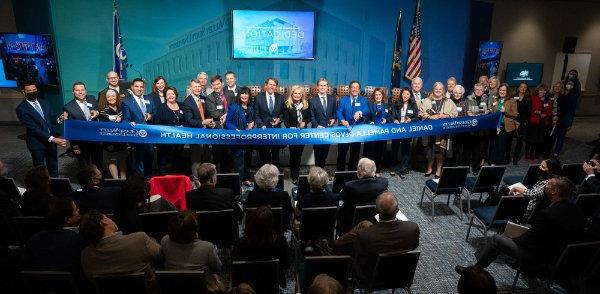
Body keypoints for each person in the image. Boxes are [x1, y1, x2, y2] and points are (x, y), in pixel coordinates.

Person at [455, 176, 585, 278]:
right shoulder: (578, 210)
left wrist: (511, 236)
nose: (545, 186)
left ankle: (474, 271)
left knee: (497, 239)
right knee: (524, 227)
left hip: (539, 257)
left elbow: (528, 240)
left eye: (547, 185)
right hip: (561, 257)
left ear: (554, 191)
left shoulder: (548, 214)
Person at [79, 210, 162, 291]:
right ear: (103, 222)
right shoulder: (140, 239)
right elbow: (162, 255)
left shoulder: (86, 255)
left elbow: (91, 280)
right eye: (106, 217)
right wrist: (153, 240)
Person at [347, 192, 420, 283]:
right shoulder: (412, 228)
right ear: (397, 210)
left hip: (371, 278)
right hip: (402, 275)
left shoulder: (365, 235)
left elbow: (358, 252)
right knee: (365, 224)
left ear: (376, 210)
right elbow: (414, 246)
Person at [15, 80, 66, 177]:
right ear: (23, 92)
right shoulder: (21, 109)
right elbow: (33, 129)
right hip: (36, 143)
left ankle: (55, 186)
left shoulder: (45, 102)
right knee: (39, 171)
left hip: (51, 142)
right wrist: (53, 139)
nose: (32, 92)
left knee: (54, 167)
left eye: (34, 89)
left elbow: (51, 119)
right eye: (29, 91)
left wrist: (60, 119)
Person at [232, 206, 290, 287]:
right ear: (271, 224)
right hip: (273, 287)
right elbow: (287, 265)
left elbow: (235, 268)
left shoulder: (239, 244)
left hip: (247, 288)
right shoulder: (280, 242)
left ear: (250, 223)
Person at [28, 197, 81, 272]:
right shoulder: (77, 239)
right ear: (67, 219)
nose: (78, 210)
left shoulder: (35, 238)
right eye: (75, 210)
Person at [161, 211, 222, 277]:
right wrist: (214, 253)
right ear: (194, 231)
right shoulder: (207, 247)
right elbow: (218, 269)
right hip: (202, 286)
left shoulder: (165, 241)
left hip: (172, 285)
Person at [336, 158, 388, 235]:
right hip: (373, 217)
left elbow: (342, 198)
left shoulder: (349, 186)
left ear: (359, 172)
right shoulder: (384, 182)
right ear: (374, 170)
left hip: (350, 220)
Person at [420, 82, 458, 178]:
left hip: (442, 131)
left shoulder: (448, 101)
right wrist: (430, 117)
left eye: (440, 89)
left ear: (443, 91)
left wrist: (445, 115)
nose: (438, 90)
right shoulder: (427, 100)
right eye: (436, 89)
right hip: (429, 130)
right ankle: (429, 168)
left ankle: (438, 170)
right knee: (430, 151)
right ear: (433, 90)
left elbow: (455, 113)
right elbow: (421, 112)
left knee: (440, 151)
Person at [60, 81, 101, 168]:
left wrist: (96, 112)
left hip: (95, 138)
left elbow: (98, 109)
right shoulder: (68, 107)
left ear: (86, 90)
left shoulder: (92, 98)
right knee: (84, 165)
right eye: (77, 90)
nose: (80, 92)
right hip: (81, 141)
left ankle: (99, 179)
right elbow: (71, 128)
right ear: (73, 92)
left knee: (98, 162)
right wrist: (74, 145)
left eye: (82, 90)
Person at [121, 78, 156, 178]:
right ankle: (140, 182)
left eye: (141, 86)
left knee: (150, 158)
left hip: (150, 135)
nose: (139, 89)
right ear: (132, 87)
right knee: (139, 160)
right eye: (137, 86)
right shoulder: (126, 102)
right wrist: (129, 123)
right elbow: (125, 119)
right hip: (137, 136)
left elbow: (155, 113)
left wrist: (151, 115)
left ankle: (149, 180)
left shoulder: (149, 99)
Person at [509, 157, 561, 222]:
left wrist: (516, 188)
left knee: (506, 191)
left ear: (550, 171)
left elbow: (532, 194)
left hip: (526, 210)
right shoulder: (545, 178)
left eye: (543, 167)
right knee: (507, 190)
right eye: (540, 165)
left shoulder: (549, 185)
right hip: (528, 201)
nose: (539, 167)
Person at [245, 164, 293, 231]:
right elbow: (289, 213)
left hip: (257, 229)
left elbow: (247, 212)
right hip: (277, 229)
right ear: (276, 179)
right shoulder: (284, 195)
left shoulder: (251, 195)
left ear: (259, 178)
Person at [183, 79, 214, 180]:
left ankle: (207, 181)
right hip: (195, 135)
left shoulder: (204, 98)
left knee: (207, 159)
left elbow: (206, 114)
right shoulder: (187, 102)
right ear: (191, 88)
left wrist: (210, 122)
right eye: (195, 87)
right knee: (196, 160)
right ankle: (197, 182)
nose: (197, 88)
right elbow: (189, 121)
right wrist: (202, 122)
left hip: (206, 134)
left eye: (199, 86)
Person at [336, 81, 370, 171]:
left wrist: (360, 112)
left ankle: (352, 172)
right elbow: (339, 112)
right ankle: (340, 173)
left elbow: (367, 110)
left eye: (357, 87)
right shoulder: (343, 100)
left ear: (359, 89)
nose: (355, 89)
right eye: (353, 87)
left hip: (357, 130)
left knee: (355, 153)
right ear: (350, 89)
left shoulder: (363, 100)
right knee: (342, 153)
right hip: (344, 129)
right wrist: (342, 120)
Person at [225, 87, 255, 184]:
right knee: (239, 162)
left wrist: (252, 124)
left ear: (249, 95)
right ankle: (238, 183)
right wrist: (235, 129)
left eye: (246, 94)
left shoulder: (251, 107)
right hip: (237, 139)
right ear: (239, 95)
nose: (244, 95)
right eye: (242, 93)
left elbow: (251, 121)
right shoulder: (234, 107)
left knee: (247, 160)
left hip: (248, 139)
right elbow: (228, 122)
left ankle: (245, 179)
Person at [206, 75, 235, 172]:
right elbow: (214, 113)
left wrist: (227, 115)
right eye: (214, 85)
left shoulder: (230, 93)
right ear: (211, 86)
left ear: (222, 84)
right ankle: (217, 178)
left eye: (218, 84)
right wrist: (226, 115)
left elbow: (235, 108)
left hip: (231, 129)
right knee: (218, 155)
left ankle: (230, 177)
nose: (216, 86)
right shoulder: (209, 98)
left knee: (230, 155)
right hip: (218, 129)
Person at [283, 85, 311, 184]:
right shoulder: (287, 104)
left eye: (299, 93)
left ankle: (297, 173)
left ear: (302, 95)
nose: (297, 95)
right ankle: (294, 175)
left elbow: (309, 117)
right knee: (293, 154)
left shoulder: (306, 104)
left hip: (302, 133)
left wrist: (305, 123)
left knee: (299, 155)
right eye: (295, 93)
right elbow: (286, 121)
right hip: (292, 134)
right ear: (292, 94)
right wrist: (291, 128)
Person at [98, 89, 128, 179]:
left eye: (113, 96)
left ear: (117, 97)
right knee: (112, 160)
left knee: (123, 159)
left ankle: (124, 179)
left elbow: (126, 118)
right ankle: (116, 180)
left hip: (122, 138)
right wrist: (114, 118)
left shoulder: (122, 107)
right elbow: (103, 124)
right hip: (110, 140)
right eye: (109, 96)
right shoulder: (103, 110)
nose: (111, 98)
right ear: (106, 98)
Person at [154, 86, 185, 174]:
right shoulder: (161, 108)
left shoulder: (182, 105)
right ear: (165, 96)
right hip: (165, 142)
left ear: (176, 95)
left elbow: (187, 120)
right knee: (165, 165)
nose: (171, 96)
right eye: (168, 94)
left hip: (179, 141)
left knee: (178, 164)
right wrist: (172, 129)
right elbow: (157, 124)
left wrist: (183, 126)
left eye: (173, 93)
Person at [254, 77, 284, 166]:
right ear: (266, 85)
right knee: (264, 156)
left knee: (276, 156)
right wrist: (261, 125)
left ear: (276, 87)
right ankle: (264, 177)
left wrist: (279, 119)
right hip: (263, 131)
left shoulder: (281, 97)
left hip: (276, 131)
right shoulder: (258, 97)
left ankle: (276, 176)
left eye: (274, 85)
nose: (272, 86)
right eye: (270, 84)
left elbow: (283, 113)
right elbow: (256, 115)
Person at [391, 88, 419, 179]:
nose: (405, 96)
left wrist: (411, 119)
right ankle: (393, 167)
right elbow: (392, 115)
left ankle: (403, 168)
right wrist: (394, 120)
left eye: (407, 94)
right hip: (397, 130)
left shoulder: (413, 105)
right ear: (401, 94)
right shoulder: (396, 103)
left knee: (405, 149)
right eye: (403, 94)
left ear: (410, 95)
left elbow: (416, 117)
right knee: (394, 148)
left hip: (407, 131)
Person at [463, 84, 490, 173]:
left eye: (480, 90)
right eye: (477, 89)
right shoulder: (468, 98)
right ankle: (466, 168)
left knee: (478, 150)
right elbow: (469, 112)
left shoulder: (486, 98)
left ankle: (476, 168)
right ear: (474, 90)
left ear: (483, 90)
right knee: (468, 149)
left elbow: (488, 110)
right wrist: (481, 112)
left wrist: (485, 111)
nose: (478, 91)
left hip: (482, 129)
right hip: (471, 129)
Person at [310, 78, 337, 168]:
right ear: (317, 87)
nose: (322, 87)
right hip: (317, 131)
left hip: (328, 130)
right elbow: (311, 116)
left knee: (325, 153)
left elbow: (334, 113)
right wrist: (317, 126)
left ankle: (322, 173)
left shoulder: (332, 99)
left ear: (327, 87)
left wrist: (334, 119)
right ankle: (317, 174)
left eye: (324, 85)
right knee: (318, 154)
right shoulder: (312, 100)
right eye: (321, 85)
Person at [363, 88, 391, 172]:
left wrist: (387, 120)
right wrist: (369, 122)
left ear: (382, 96)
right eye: (376, 95)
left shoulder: (387, 106)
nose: (378, 96)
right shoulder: (370, 105)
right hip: (372, 133)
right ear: (374, 96)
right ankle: (368, 171)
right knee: (370, 152)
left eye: (379, 94)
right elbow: (366, 116)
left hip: (382, 134)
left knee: (380, 152)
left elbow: (390, 117)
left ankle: (377, 170)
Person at [491, 83, 519, 165]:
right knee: (494, 145)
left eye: (504, 90)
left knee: (501, 146)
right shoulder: (496, 99)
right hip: (495, 125)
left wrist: (505, 111)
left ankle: (498, 164)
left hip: (505, 126)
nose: (502, 92)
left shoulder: (512, 100)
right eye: (500, 90)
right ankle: (493, 162)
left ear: (507, 91)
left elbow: (515, 114)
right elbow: (493, 111)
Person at [507, 82, 531, 165]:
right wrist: (514, 119)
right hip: (512, 120)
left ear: (526, 89)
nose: (523, 88)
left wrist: (523, 122)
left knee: (519, 142)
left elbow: (529, 112)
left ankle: (515, 159)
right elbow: (509, 109)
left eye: (525, 87)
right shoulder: (513, 96)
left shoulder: (528, 98)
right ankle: (507, 157)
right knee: (509, 140)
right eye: (521, 87)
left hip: (522, 122)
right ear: (518, 87)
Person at [525, 84, 549, 161]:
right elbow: (528, 110)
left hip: (541, 122)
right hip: (533, 121)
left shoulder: (547, 100)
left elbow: (549, 110)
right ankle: (527, 153)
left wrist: (546, 114)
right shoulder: (533, 98)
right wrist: (535, 112)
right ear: (538, 90)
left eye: (544, 90)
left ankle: (532, 154)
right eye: (541, 90)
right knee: (530, 139)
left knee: (536, 140)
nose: (542, 91)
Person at [553, 80, 578, 157]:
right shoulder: (560, 94)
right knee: (553, 135)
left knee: (561, 137)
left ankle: (556, 152)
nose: (569, 85)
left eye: (571, 84)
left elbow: (572, 110)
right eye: (568, 83)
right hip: (556, 118)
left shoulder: (573, 96)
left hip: (565, 119)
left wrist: (570, 123)